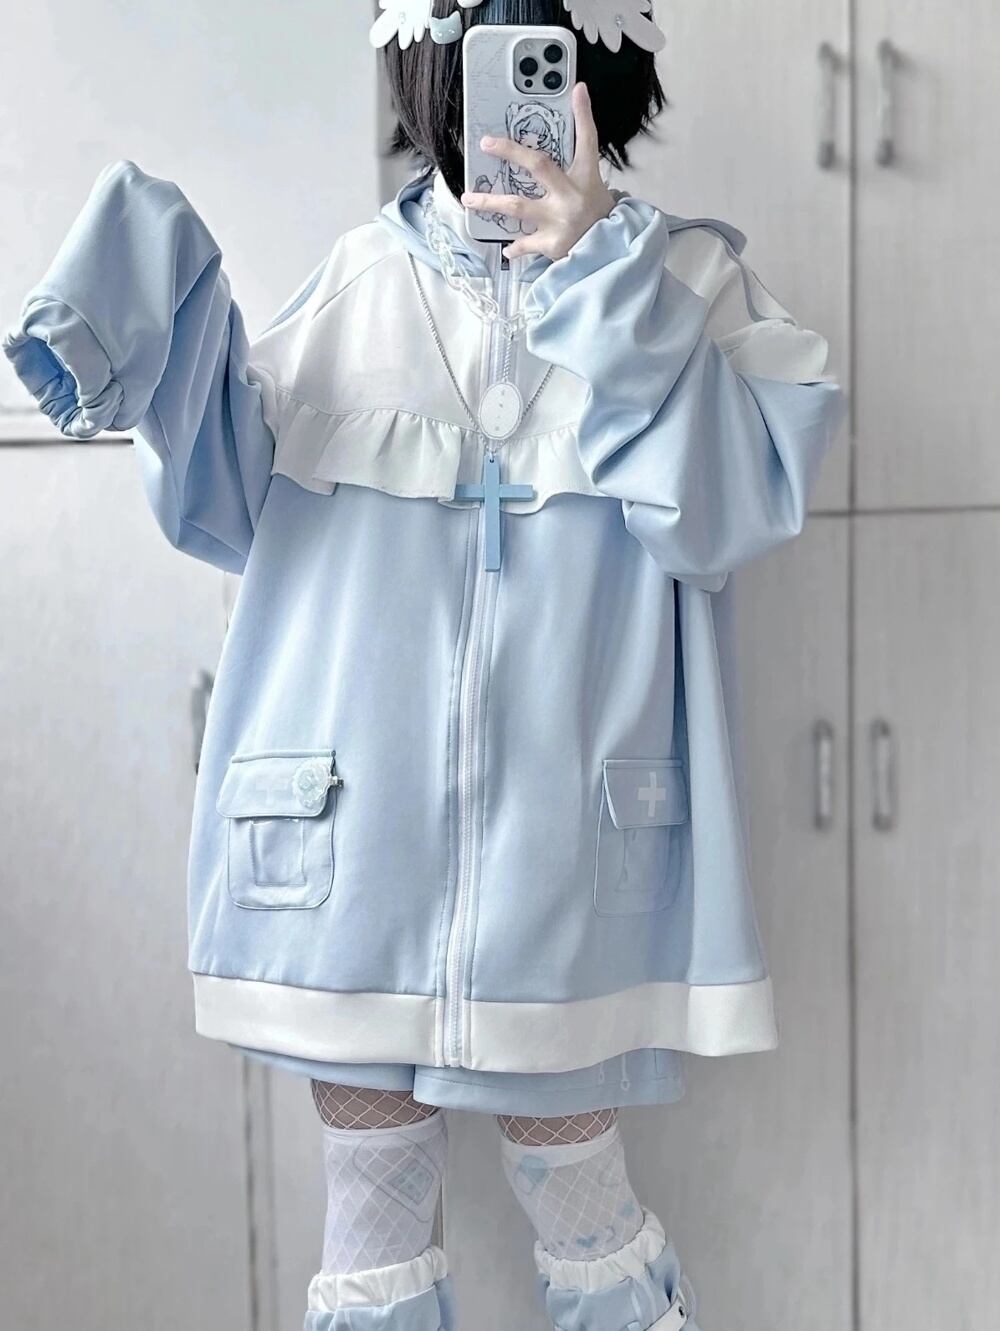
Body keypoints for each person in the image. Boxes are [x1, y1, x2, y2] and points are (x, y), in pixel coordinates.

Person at [2, 1, 846, 1328]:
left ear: (600, 69)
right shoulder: (359, 279)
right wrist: (148, 300)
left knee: (586, 1213)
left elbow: (731, 509)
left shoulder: (680, 284)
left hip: (570, 865)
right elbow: (230, 504)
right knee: (370, 1227)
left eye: (543, 58)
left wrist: (600, 270)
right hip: (357, 861)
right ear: (429, 76)